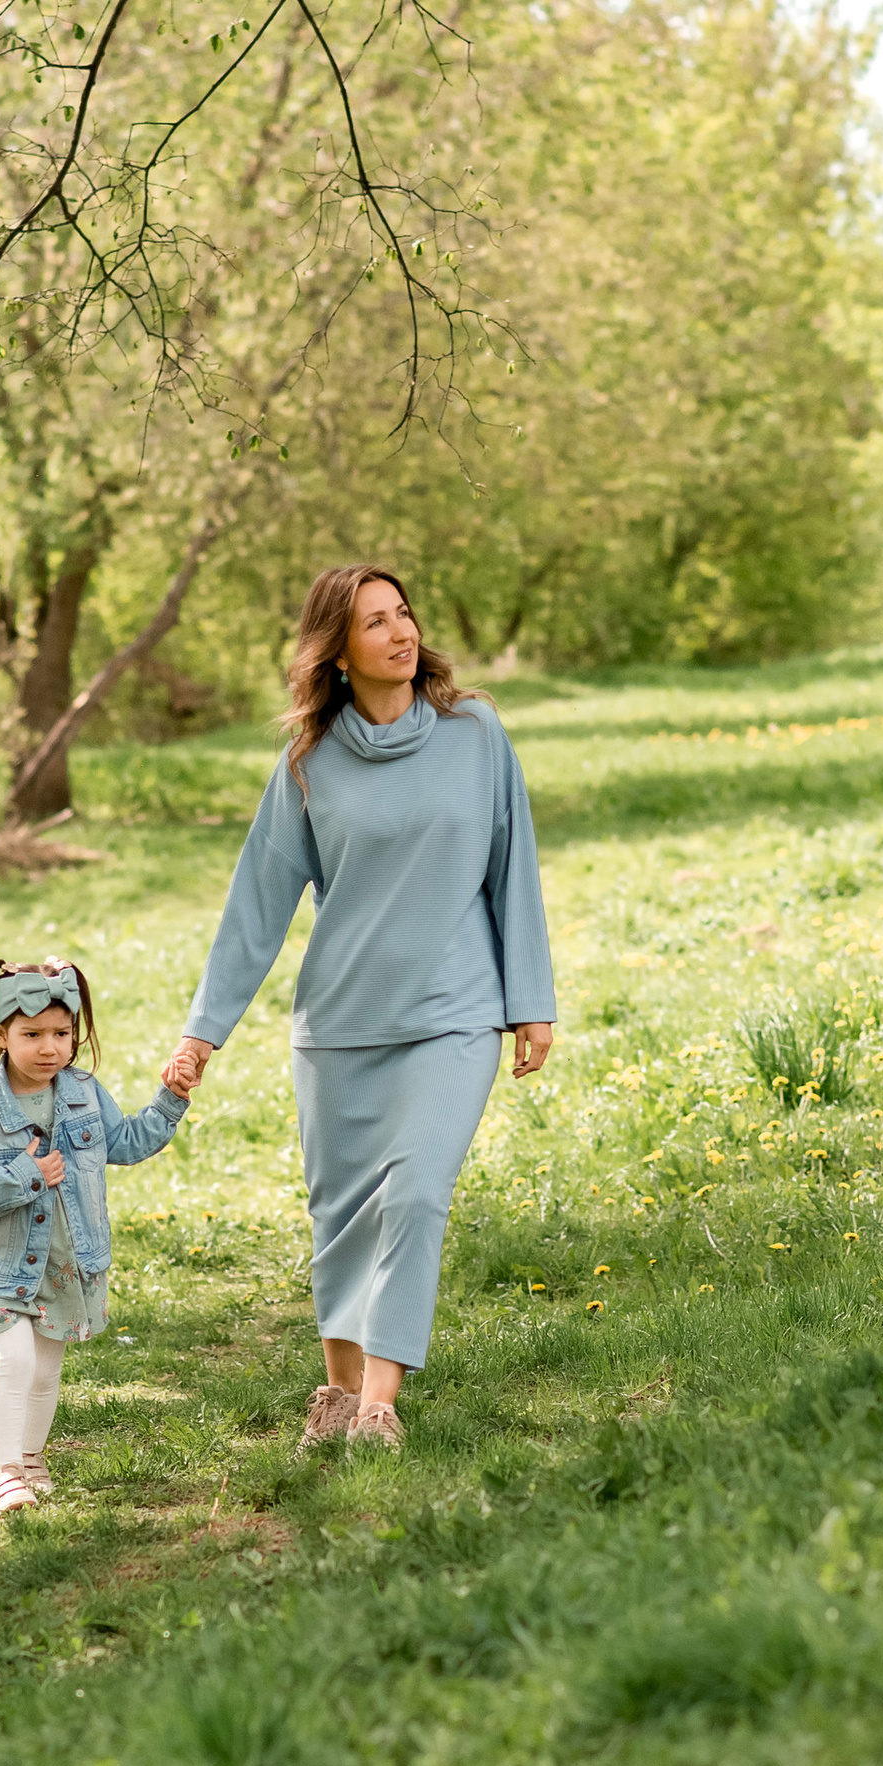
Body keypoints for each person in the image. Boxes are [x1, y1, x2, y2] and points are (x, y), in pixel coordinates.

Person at [163, 562, 554, 1457]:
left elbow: (515, 870)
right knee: (339, 1216)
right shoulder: (309, 762)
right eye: (375, 623)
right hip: (340, 1025)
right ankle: (337, 1398)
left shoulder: (475, 733)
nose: (401, 632)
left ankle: (380, 1406)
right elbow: (256, 907)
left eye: (405, 613)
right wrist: (201, 1034)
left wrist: (530, 1001)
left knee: (414, 1196)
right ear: (336, 652)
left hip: (455, 1014)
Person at [0, 954, 189, 1521]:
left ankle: (28, 1457)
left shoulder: (82, 1092)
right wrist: (25, 1175)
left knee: (46, 1369)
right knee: (14, 1363)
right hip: (1, 1267)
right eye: (31, 1034)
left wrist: (170, 1099)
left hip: (64, 1263)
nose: (49, 1047)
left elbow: (123, 1143)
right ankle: (4, 1477)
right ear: (1, 1034)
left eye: (61, 1033)